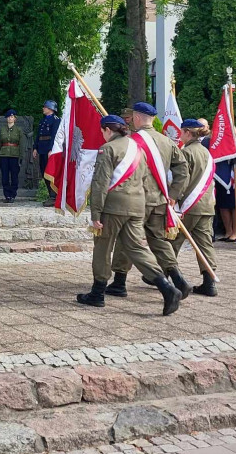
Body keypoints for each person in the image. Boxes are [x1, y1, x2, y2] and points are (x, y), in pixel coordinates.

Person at [77, 114, 183, 315]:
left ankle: (97, 293)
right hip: (137, 206)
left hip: (113, 207)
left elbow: (100, 183)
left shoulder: (107, 149)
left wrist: (96, 214)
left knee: (103, 247)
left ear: (108, 130)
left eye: (102, 131)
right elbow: (145, 178)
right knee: (136, 248)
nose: (102, 135)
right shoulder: (138, 148)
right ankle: (166, 287)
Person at [105, 102, 190, 298]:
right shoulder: (167, 141)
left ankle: (119, 282)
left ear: (136, 118)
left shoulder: (131, 142)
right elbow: (182, 169)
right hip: (161, 200)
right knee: (158, 240)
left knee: (127, 240)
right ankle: (178, 278)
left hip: (136, 199)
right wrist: (174, 195)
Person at [172, 118, 218, 296]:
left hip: (190, 205)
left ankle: (161, 274)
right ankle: (209, 282)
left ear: (188, 133)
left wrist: (173, 199)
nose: (179, 135)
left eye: (181, 132)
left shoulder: (187, 152)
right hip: (206, 205)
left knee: (172, 241)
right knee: (205, 244)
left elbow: (182, 179)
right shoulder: (207, 152)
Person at [214, 140, 236, 242]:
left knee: (235, 206)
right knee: (223, 205)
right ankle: (228, 231)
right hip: (222, 178)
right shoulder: (219, 144)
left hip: (235, 180)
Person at [33, 100, 61, 206]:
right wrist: (35, 147)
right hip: (42, 148)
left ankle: (54, 196)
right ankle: (51, 195)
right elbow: (38, 135)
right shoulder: (43, 120)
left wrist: (51, 149)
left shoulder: (56, 120)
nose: (43, 109)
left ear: (50, 108)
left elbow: (55, 136)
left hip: (50, 150)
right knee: (44, 172)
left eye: (45, 107)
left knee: (50, 173)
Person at [0, 109, 24, 203]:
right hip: (4, 155)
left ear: (15, 118)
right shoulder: (2, 129)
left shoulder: (19, 130)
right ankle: (7, 195)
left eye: (12, 117)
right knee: (4, 176)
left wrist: (21, 157)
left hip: (14, 155)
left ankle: (13, 195)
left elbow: (22, 144)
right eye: (8, 117)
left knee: (14, 176)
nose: (10, 118)